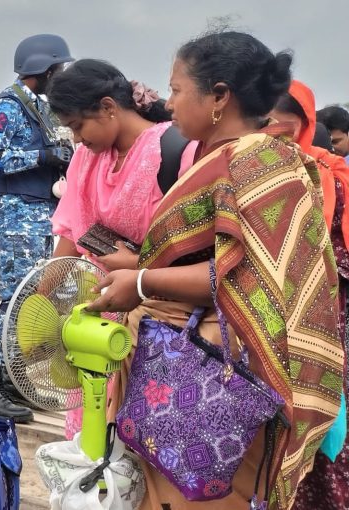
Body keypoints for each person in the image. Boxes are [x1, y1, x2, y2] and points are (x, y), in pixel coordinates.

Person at [88, 31, 343, 510]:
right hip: (176, 362)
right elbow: (213, 256)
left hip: (216, 374)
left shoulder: (259, 162)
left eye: (178, 89)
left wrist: (142, 282)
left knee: (206, 494)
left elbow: (245, 281)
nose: (169, 104)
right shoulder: (222, 157)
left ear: (220, 97)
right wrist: (140, 263)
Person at [45, 59, 197, 438]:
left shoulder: (175, 151)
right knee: (94, 434)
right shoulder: (86, 158)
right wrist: (40, 300)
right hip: (97, 319)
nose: (77, 139)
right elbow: (69, 235)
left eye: (79, 126)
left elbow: (199, 250)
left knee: (144, 434)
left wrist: (138, 266)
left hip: (160, 321)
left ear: (109, 107)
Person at [0, 34, 74, 422]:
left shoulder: (38, 109)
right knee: (14, 301)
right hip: (15, 214)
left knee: (33, 298)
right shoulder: (6, 107)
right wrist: (42, 156)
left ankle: (12, 383)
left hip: (38, 212)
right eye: (57, 69)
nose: (60, 75)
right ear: (43, 69)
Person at [271, 81, 349, 510]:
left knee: (318, 413)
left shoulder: (326, 174)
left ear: (299, 124)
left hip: (320, 314)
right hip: (276, 314)